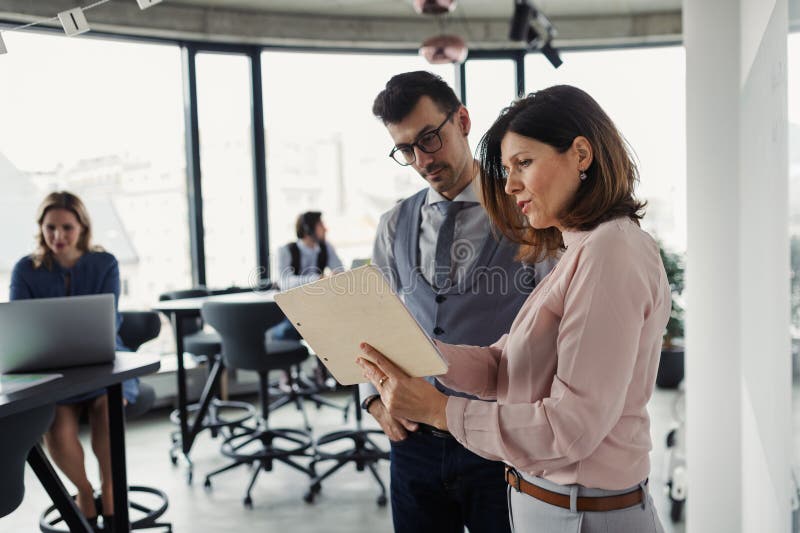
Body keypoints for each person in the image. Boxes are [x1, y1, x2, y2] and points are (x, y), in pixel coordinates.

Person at [357, 85, 671, 532]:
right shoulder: (580, 250)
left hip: (581, 514)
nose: (509, 185)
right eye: (506, 169)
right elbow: (506, 365)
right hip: (547, 503)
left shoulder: (610, 252)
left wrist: (439, 410)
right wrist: (416, 356)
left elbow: (570, 428)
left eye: (523, 163)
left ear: (582, 154)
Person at [360, 71, 554, 533]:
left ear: (463, 121)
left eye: (430, 138)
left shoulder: (528, 214)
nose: (422, 159)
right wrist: (374, 402)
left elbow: (555, 325)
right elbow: (370, 324)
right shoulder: (393, 225)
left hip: (495, 438)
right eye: (406, 149)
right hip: (413, 443)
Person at [10, 191, 136, 529]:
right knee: (59, 428)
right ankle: (84, 492)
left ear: (82, 227)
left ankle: (111, 495)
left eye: (67, 227)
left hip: (103, 360)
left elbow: (109, 322)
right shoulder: (26, 268)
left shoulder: (104, 263)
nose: (58, 237)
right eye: (50, 228)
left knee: (107, 414)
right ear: (41, 228)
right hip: (53, 369)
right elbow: (18, 326)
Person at [273, 211, 344, 341]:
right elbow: (284, 282)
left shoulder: (326, 248)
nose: (326, 229)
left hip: (317, 308)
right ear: (308, 229)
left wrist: (335, 276)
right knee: (296, 330)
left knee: (331, 327)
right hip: (292, 311)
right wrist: (318, 279)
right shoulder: (285, 250)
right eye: (321, 225)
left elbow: (340, 272)